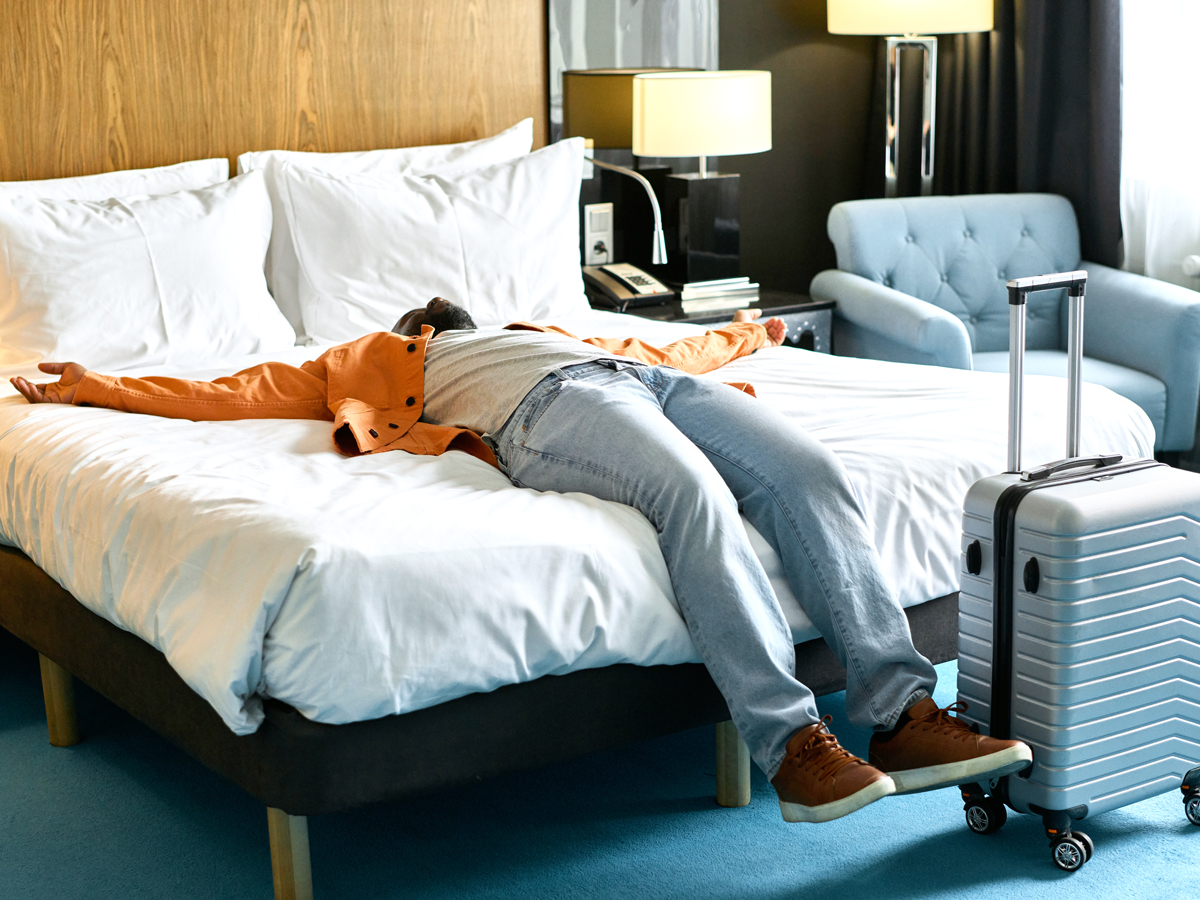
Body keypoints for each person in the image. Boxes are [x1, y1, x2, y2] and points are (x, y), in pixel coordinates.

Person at [11, 297, 1031, 825]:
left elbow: (671, 354)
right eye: (431, 320)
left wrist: (744, 333)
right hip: (551, 413)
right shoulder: (372, 359)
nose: (442, 321)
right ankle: (793, 750)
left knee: (808, 474)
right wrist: (90, 384)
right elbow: (226, 392)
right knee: (692, 499)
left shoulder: (540, 324)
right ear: (415, 332)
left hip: (627, 380)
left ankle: (899, 715)